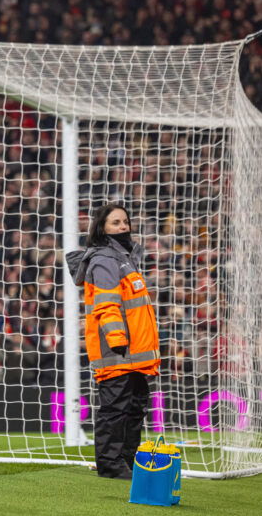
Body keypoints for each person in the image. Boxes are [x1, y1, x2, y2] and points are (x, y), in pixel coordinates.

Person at [66, 203, 160, 480]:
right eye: (116, 222)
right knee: (115, 408)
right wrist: (117, 339)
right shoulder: (106, 259)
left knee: (134, 407)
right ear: (102, 228)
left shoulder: (125, 258)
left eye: (125, 221)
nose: (123, 226)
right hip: (118, 349)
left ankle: (127, 460)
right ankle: (110, 464)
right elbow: (106, 304)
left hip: (136, 351)